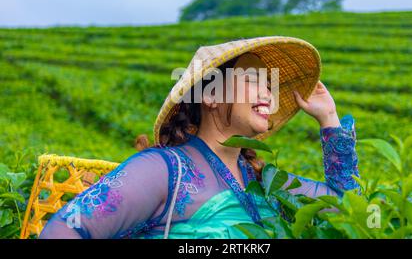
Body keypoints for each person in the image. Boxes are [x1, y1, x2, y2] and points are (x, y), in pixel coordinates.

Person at [39, 36, 359, 239]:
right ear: (211, 95)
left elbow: (348, 211)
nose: (267, 94)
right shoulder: (164, 171)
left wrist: (329, 120)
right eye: (253, 80)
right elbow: (63, 231)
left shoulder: (266, 182)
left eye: (270, 86)